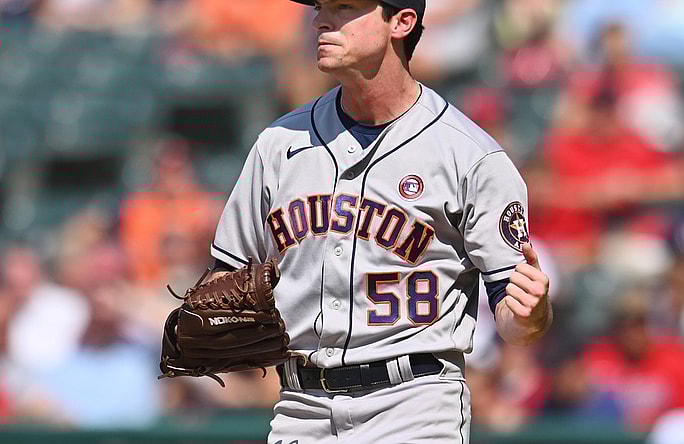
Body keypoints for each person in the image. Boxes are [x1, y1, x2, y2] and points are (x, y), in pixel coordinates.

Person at [207, 1, 552, 442]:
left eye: (345, 7)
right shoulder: (277, 145)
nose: (320, 20)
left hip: (413, 405)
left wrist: (531, 314)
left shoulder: (470, 156)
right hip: (301, 407)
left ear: (401, 22)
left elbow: (516, 324)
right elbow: (227, 278)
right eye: (321, 8)